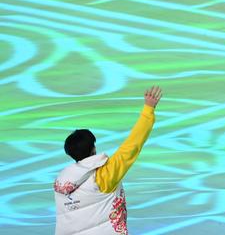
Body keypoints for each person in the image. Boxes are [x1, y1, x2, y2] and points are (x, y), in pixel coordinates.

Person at [53, 86, 162, 235]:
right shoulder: (104, 176)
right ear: (93, 149)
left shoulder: (61, 180)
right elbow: (132, 146)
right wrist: (148, 109)